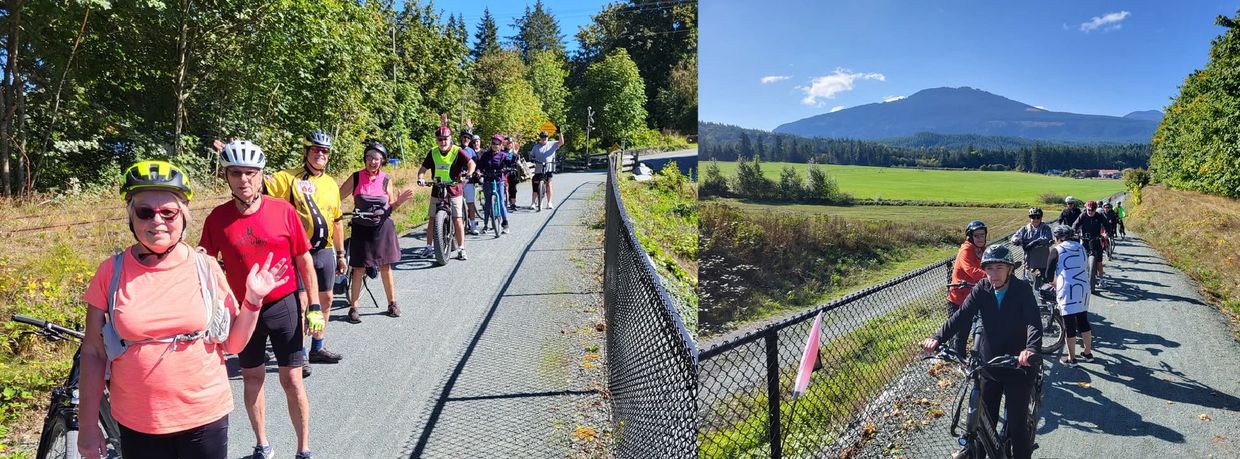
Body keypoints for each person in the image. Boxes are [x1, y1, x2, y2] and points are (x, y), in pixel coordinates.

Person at [77, 161, 285, 459]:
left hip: (204, 416)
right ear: (131, 217)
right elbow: (94, 353)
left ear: (183, 216)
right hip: (139, 422)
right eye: (145, 212)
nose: (157, 221)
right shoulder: (110, 273)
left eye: (168, 212)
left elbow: (234, 343)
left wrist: (252, 300)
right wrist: (87, 426)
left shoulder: (206, 267)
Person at [199, 141, 319, 459]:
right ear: (226, 176)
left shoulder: (283, 210)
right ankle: (263, 444)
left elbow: (304, 260)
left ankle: (303, 448)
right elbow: (206, 265)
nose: (244, 180)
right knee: (252, 377)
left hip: (284, 305)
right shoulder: (217, 219)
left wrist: (316, 306)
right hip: (242, 311)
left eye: (250, 173)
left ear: (261, 175)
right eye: (236, 173)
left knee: (292, 378)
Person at [922, 245, 1041, 459]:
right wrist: (938, 337)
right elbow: (961, 316)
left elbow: (1033, 322)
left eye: (999, 267)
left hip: (1017, 365)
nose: (993, 274)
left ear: (1010, 269)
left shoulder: (1022, 289)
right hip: (990, 365)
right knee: (984, 424)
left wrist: (1030, 349)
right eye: (989, 268)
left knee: (1017, 426)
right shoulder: (982, 288)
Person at [263, 130, 344, 372]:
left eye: (325, 151)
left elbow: (337, 220)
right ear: (307, 151)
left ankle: (317, 346)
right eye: (316, 149)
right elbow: (259, 183)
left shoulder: (330, 183)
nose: (321, 154)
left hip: (325, 250)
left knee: (326, 299)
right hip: (297, 253)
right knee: (301, 303)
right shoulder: (289, 178)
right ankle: (299, 352)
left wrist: (341, 254)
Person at [338, 141, 413, 322]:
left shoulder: (386, 179)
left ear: (382, 161)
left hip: (382, 228)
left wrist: (399, 201)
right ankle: (354, 308)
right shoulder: (356, 177)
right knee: (358, 268)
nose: (373, 161)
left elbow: (390, 207)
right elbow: (336, 197)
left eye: (377, 159)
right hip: (361, 228)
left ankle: (392, 303)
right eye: (370, 157)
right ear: (365, 159)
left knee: (386, 266)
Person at [416, 125, 476, 260]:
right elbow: (423, 168)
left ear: (450, 139)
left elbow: (471, 163)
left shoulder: (457, 151)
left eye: (445, 139)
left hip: (454, 189)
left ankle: (461, 249)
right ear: (437, 140)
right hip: (437, 189)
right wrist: (420, 178)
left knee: (457, 219)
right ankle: (428, 247)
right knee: (432, 219)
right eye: (440, 139)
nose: (443, 142)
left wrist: (469, 175)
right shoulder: (433, 152)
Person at [1046, 224, 1093, 367]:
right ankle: (1088, 353)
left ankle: (1072, 358)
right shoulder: (1081, 247)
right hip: (1083, 287)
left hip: (1067, 289)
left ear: (1058, 237)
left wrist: (1054, 282)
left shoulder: (1057, 250)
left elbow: (1049, 273)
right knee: (1083, 319)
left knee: (1069, 324)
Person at [947, 220, 989, 357]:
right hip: (959, 298)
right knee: (960, 332)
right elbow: (972, 271)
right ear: (970, 237)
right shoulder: (966, 250)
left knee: (973, 327)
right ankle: (957, 359)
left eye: (982, 235)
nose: (980, 238)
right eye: (977, 236)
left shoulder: (981, 249)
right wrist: (993, 275)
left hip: (972, 296)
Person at [477, 134, 516, 233]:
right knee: (488, 203)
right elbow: (480, 166)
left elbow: (510, 162)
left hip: (499, 180)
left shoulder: (503, 155)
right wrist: (478, 172)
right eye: (493, 143)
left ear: (501, 145)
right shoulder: (485, 155)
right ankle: (485, 225)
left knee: (502, 202)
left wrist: (514, 156)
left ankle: (505, 224)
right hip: (488, 180)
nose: (495, 145)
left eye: (498, 144)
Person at [1010, 208, 1053, 285]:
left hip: (1043, 263)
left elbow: (1048, 239)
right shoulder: (1025, 229)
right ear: (1030, 218)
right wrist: (1017, 240)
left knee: (1046, 286)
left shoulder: (1046, 228)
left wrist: (1035, 242)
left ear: (1041, 218)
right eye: (1033, 217)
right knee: (1027, 285)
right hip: (1029, 263)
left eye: (1038, 217)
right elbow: (1015, 237)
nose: (1035, 219)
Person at [1072, 200, 1109, 290]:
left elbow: (1107, 225)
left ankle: (1101, 279)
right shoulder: (1083, 216)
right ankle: (1081, 277)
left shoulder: (1099, 216)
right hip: (1085, 241)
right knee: (1081, 260)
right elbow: (1075, 225)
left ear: (1095, 209)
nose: (1090, 212)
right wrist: (1074, 232)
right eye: (1089, 210)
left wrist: (1106, 233)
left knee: (1099, 261)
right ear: (1086, 209)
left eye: (1092, 210)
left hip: (1096, 240)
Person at [529, 130, 565, 211]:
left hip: (549, 168)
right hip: (539, 168)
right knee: (535, 186)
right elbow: (531, 155)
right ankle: (533, 203)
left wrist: (560, 132)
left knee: (548, 184)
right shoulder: (536, 147)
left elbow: (561, 142)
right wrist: (532, 159)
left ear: (548, 137)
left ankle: (549, 202)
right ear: (540, 138)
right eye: (542, 137)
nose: (544, 138)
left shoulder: (552, 144)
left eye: (545, 137)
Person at [459, 128, 481, 235]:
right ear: (461, 138)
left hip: (469, 181)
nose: (466, 139)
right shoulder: (455, 149)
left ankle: (472, 225)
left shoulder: (472, 151)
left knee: (470, 204)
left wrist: (476, 172)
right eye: (464, 137)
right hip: (457, 181)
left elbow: (476, 165)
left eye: (468, 138)